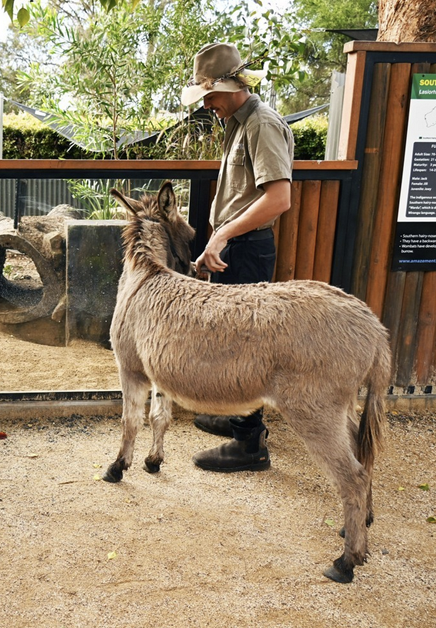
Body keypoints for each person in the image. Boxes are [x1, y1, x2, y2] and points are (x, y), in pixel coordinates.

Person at [180, 42, 294, 472]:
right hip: (233, 247)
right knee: (228, 338)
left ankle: (251, 445)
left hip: (246, 249)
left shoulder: (262, 124)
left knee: (243, 344)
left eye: (209, 95)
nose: (206, 104)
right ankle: (236, 417)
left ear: (230, 87)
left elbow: (279, 199)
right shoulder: (237, 121)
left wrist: (222, 234)